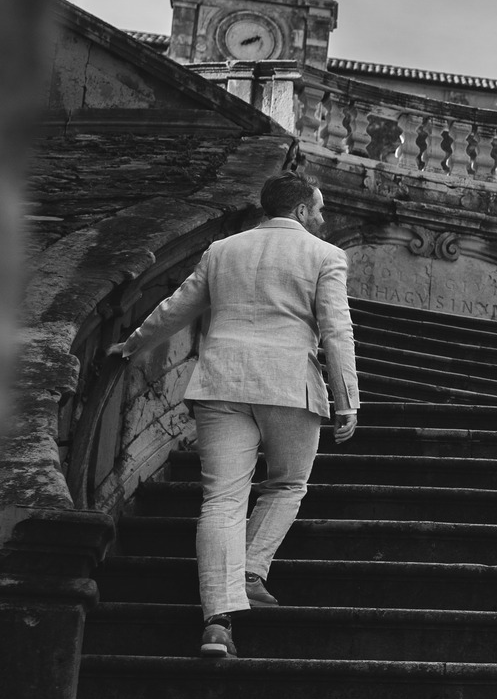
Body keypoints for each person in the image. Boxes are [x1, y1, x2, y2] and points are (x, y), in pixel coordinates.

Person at [108, 172, 359, 659]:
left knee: (222, 500)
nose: (322, 217)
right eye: (319, 209)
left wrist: (132, 345)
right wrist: (347, 399)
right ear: (302, 210)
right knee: (287, 484)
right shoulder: (325, 255)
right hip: (288, 384)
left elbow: (177, 306)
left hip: (221, 380)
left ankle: (217, 623)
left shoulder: (222, 249)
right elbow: (336, 329)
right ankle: (249, 571)